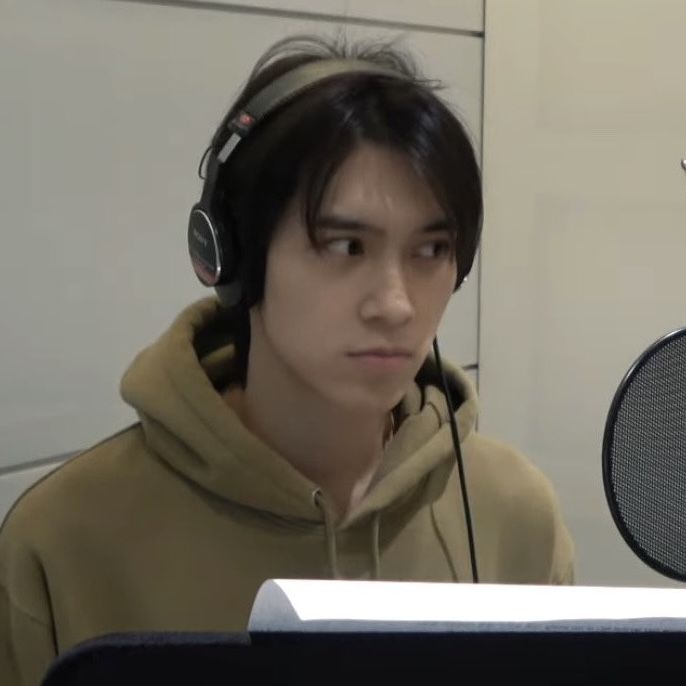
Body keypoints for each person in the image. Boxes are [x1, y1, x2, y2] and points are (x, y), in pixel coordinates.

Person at [0, 34, 574, 686]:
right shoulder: (66, 539)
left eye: (431, 251)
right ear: (234, 258)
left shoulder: (513, 514)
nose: (396, 305)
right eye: (346, 247)